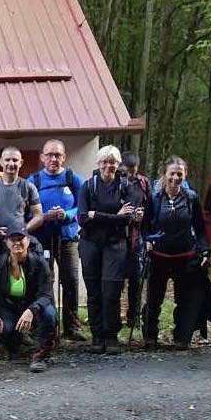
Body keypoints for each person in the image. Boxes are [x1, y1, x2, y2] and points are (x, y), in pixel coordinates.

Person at [141, 157, 210, 349]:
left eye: (180, 174)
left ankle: (181, 336)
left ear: (185, 175)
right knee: (154, 299)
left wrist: (205, 250)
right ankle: (150, 335)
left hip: (185, 257)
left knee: (184, 299)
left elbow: (200, 228)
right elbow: (145, 226)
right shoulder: (154, 198)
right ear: (165, 174)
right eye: (172, 173)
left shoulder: (191, 198)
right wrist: (147, 240)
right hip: (159, 257)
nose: (176, 177)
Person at [78, 145, 141, 354]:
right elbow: (82, 218)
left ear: (118, 164)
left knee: (111, 291)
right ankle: (97, 336)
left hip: (115, 245)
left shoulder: (127, 186)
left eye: (112, 162)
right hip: (90, 244)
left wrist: (97, 215)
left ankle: (111, 336)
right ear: (98, 164)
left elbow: (127, 218)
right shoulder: (88, 186)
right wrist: (115, 215)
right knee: (94, 291)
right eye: (104, 162)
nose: (108, 166)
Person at [29, 139, 87, 341]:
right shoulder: (34, 180)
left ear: (64, 157)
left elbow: (84, 205)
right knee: (46, 281)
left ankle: (72, 326)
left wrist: (67, 214)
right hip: (42, 239)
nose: (53, 159)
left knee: (70, 280)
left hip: (68, 238)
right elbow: (26, 209)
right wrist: (44, 216)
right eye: (49, 155)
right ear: (42, 157)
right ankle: (49, 326)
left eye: (58, 155)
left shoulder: (72, 178)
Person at [0, 229, 57, 372]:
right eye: (13, 240)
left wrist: (31, 310)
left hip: (33, 307)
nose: (17, 243)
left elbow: (46, 294)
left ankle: (41, 356)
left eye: (21, 239)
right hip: (9, 308)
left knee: (49, 315)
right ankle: (14, 344)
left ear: (28, 241)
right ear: (7, 243)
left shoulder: (40, 263)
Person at [0, 146, 44, 269]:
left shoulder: (28, 187)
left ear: (21, 163)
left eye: (15, 160)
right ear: (1, 162)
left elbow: (39, 216)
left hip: (19, 245)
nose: (11, 164)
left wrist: (21, 231)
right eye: (7, 160)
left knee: (20, 277)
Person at [119, 152, 152, 329]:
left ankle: (134, 316)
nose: (131, 175)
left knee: (136, 278)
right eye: (127, 171)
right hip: (117, 235)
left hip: (136, 237)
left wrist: (142, 215)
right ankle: (113, 315)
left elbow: (150, 207)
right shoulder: (115, 182)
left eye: (134, 171)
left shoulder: (143, 183)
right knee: (116, 279)